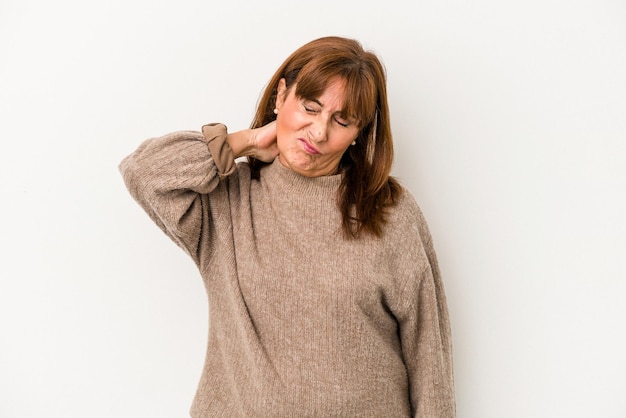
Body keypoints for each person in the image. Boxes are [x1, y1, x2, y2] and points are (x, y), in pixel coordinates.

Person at [119, 36, 455, 417]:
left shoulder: (389, 210)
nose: (319, 132)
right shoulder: (229, 201)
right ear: (281, 96)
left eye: (342, 121)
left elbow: (429, 353)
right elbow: (143, 172)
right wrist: (244, 141)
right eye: (310, 108)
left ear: (359, 132)